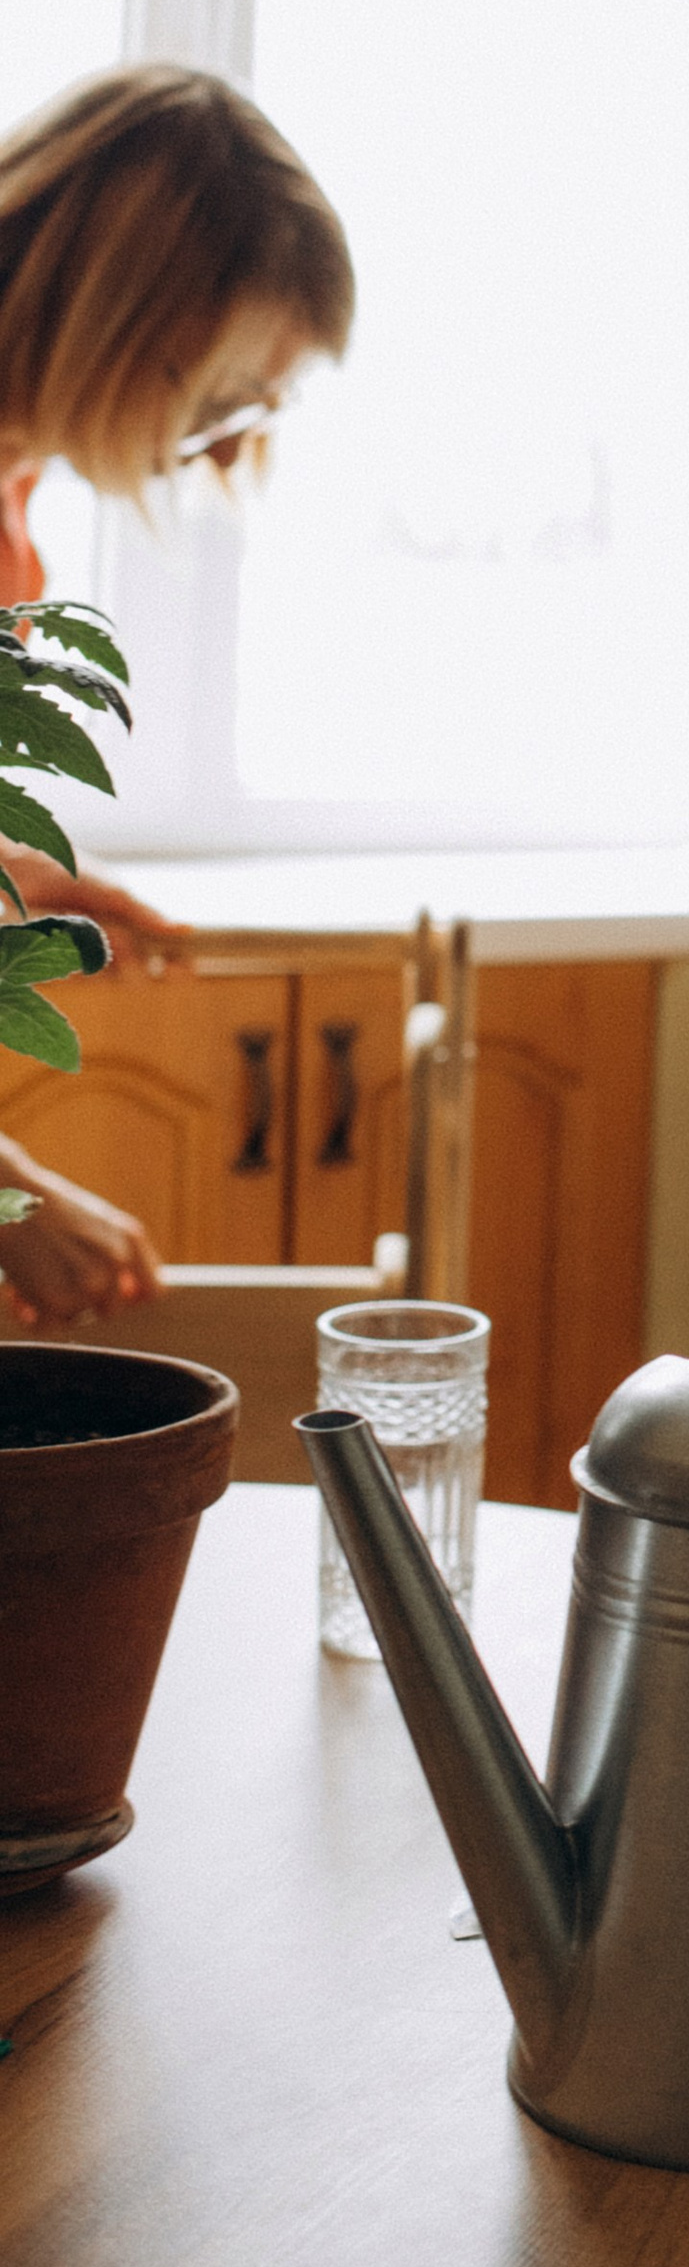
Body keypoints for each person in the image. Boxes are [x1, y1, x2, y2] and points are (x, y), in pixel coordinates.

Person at [0, 66, 354, 1325]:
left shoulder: (13, 498)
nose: (220, 449)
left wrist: (15, 881)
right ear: (109, 315)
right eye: (212, 399)